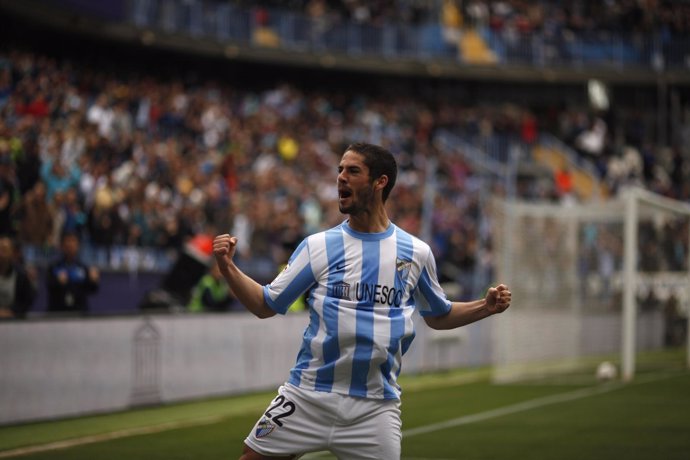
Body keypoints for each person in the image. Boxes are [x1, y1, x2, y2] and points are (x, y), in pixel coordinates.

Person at [213, 142, 511, 460]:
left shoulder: (416, 253)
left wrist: (485, 307)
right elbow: (264, 304)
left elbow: (438, 314)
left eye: (353, 171)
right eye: (340, 170)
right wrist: (227, 267)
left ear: (380, 182)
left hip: (374, 408)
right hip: (308, 395)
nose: (341, 177)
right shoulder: (317, 247)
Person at [46, 232, 99, 314]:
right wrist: (57, 281)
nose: (70, 245)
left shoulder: (83, 268)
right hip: (57, 313)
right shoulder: (54, 267)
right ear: (62, 246)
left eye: (73, 241)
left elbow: (92, 289)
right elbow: (48, 285)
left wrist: (94, 280)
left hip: (79, 312)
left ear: (78, 246)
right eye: (67, 241)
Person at [0, 236, 36, 319]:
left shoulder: (21, 276)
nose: (0, 254)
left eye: (4, 250)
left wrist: (12, 311)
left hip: (14, 321)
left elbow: (26, 300)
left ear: (11, 253)